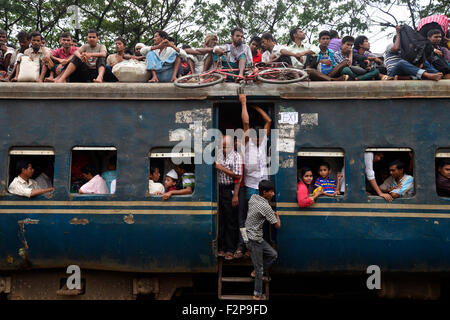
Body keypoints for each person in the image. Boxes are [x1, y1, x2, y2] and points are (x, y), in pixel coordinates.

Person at [235, 93, 272, 259]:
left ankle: (256, 247)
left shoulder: (263, 141)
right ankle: (245, 246)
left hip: (263, 187)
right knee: (248, 220)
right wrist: (244, 104)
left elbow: (268, 121)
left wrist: (255, 107)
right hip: (250, 187)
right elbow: (246, 122)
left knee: (261, 219)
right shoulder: (247, 142)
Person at [245, 180, 280, 300]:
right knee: (260, 269)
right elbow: (277, 225)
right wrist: (277, 215)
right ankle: (257, 294)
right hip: (254, 239)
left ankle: (255, 272)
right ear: (265, 193)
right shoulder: (266, 206)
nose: (273, 194)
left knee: (273, 255)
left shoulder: (253, 197)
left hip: (252, 236)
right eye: (271, 192)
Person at [216, 135, 243, 260]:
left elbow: (237, 176)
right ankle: (221, 248)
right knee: (220, 219)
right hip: (219, 190)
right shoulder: (219, 155)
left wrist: (235, 195)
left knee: (230, 220)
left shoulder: (237, 157)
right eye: (222, 147)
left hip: (230, 190)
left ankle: (230, 249)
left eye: (226, 147)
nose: (224, 149)